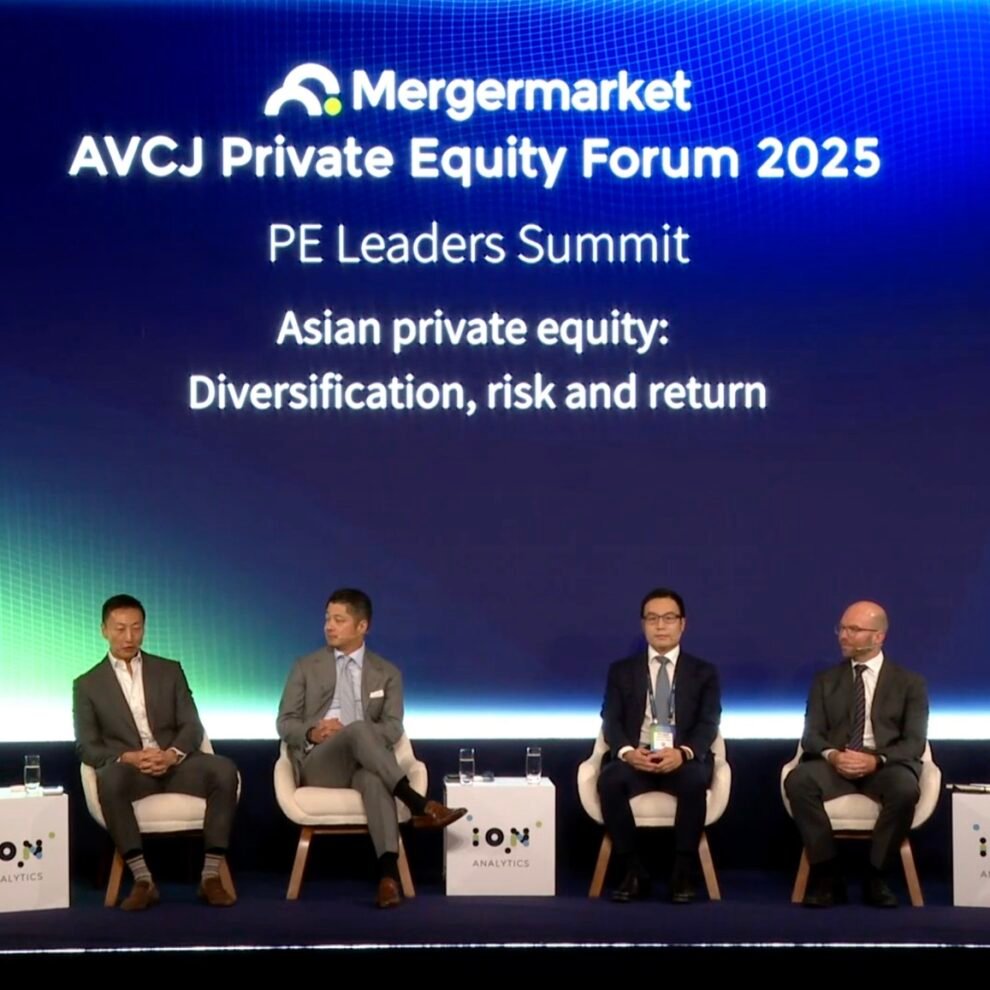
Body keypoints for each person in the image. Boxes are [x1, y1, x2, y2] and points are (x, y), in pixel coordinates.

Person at [277, 588, 467, 908]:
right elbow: (285, 723)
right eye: (327, 619)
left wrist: (356, 733)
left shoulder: (387, 673)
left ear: (362, 626)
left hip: (367, 763)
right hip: (321, 762)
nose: (329, 626)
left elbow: (393, 727)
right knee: (358, 731)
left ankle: (388, 879)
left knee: (374, 776)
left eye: (339, 620)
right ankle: (418, 803)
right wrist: (313, 731)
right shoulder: (305, 666)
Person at [73, 594, 239, 910]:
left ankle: (210, 877)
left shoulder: (169, 670)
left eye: (136, 628)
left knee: (224, 770)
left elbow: (192, 725)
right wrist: (130, 757)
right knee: (110, 781)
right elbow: (87, 746)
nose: (129, 637)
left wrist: (172, 754)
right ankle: (143, 881)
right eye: (120, 628)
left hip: (176, 765)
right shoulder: (87, 684)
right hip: (131, 771)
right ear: (104, 630)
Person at [784, 600, 929, 908]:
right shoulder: (825, 681)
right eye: (841, 628)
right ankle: (827, 874)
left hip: (884, 766)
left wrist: (876, 760)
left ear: (878, 637)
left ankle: (876, 876)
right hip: (836, 764)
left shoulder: (910, 683)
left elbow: (914, 742)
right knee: (798, 781)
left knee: (905, 789)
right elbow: (811, 735)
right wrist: (833, 756)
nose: (843, 636)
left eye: (854, 629)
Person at [597, 587, 721, 903]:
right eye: (652, 619)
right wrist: (627, 753)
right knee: (609, 780)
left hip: (681, 759)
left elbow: (709, 722)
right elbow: (610, 719)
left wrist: (683, 753)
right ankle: (633, 870)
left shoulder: (704, 672)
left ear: (683, 624)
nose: (660, 626)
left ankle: (683, 872)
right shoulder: (621, 671)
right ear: (643, 625)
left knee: (694, 780)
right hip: (638, 756)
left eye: (668, 618)